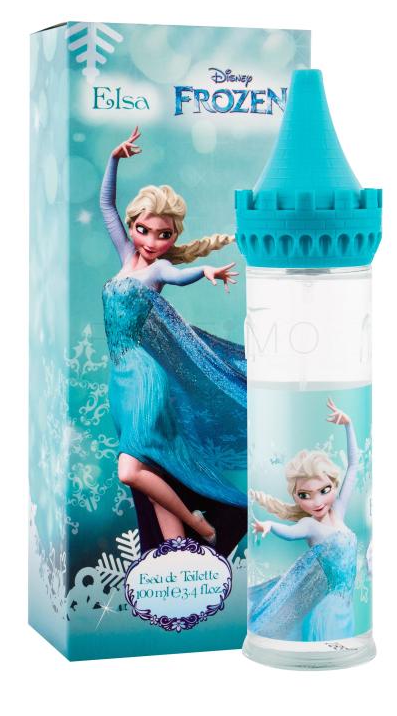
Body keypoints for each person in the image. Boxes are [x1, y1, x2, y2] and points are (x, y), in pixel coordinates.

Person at [99, 126, 247, 555]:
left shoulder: (157, 270)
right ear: (133, 227)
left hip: (145, 376)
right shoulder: (127, 257)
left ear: (174, 238)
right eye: (144, 230)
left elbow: (180, 276)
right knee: (152, 473)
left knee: (130, 470)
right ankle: (178, 553)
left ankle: (199, 525)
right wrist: (113, 159)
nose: (152, 242)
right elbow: (106, 205)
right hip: (120, 379)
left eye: (164, 235)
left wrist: (206, 271)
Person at [248, 398, 360, 641]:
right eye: (304, 496)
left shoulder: (338, 511)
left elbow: (353, 466)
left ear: (333, 485)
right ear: (296, 497)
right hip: (328, 608)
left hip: (345, 603)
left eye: (324, 490)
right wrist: (269, 525)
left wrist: (348, 425)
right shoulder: (310, 525)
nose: (316, 502)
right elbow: (290, 533)